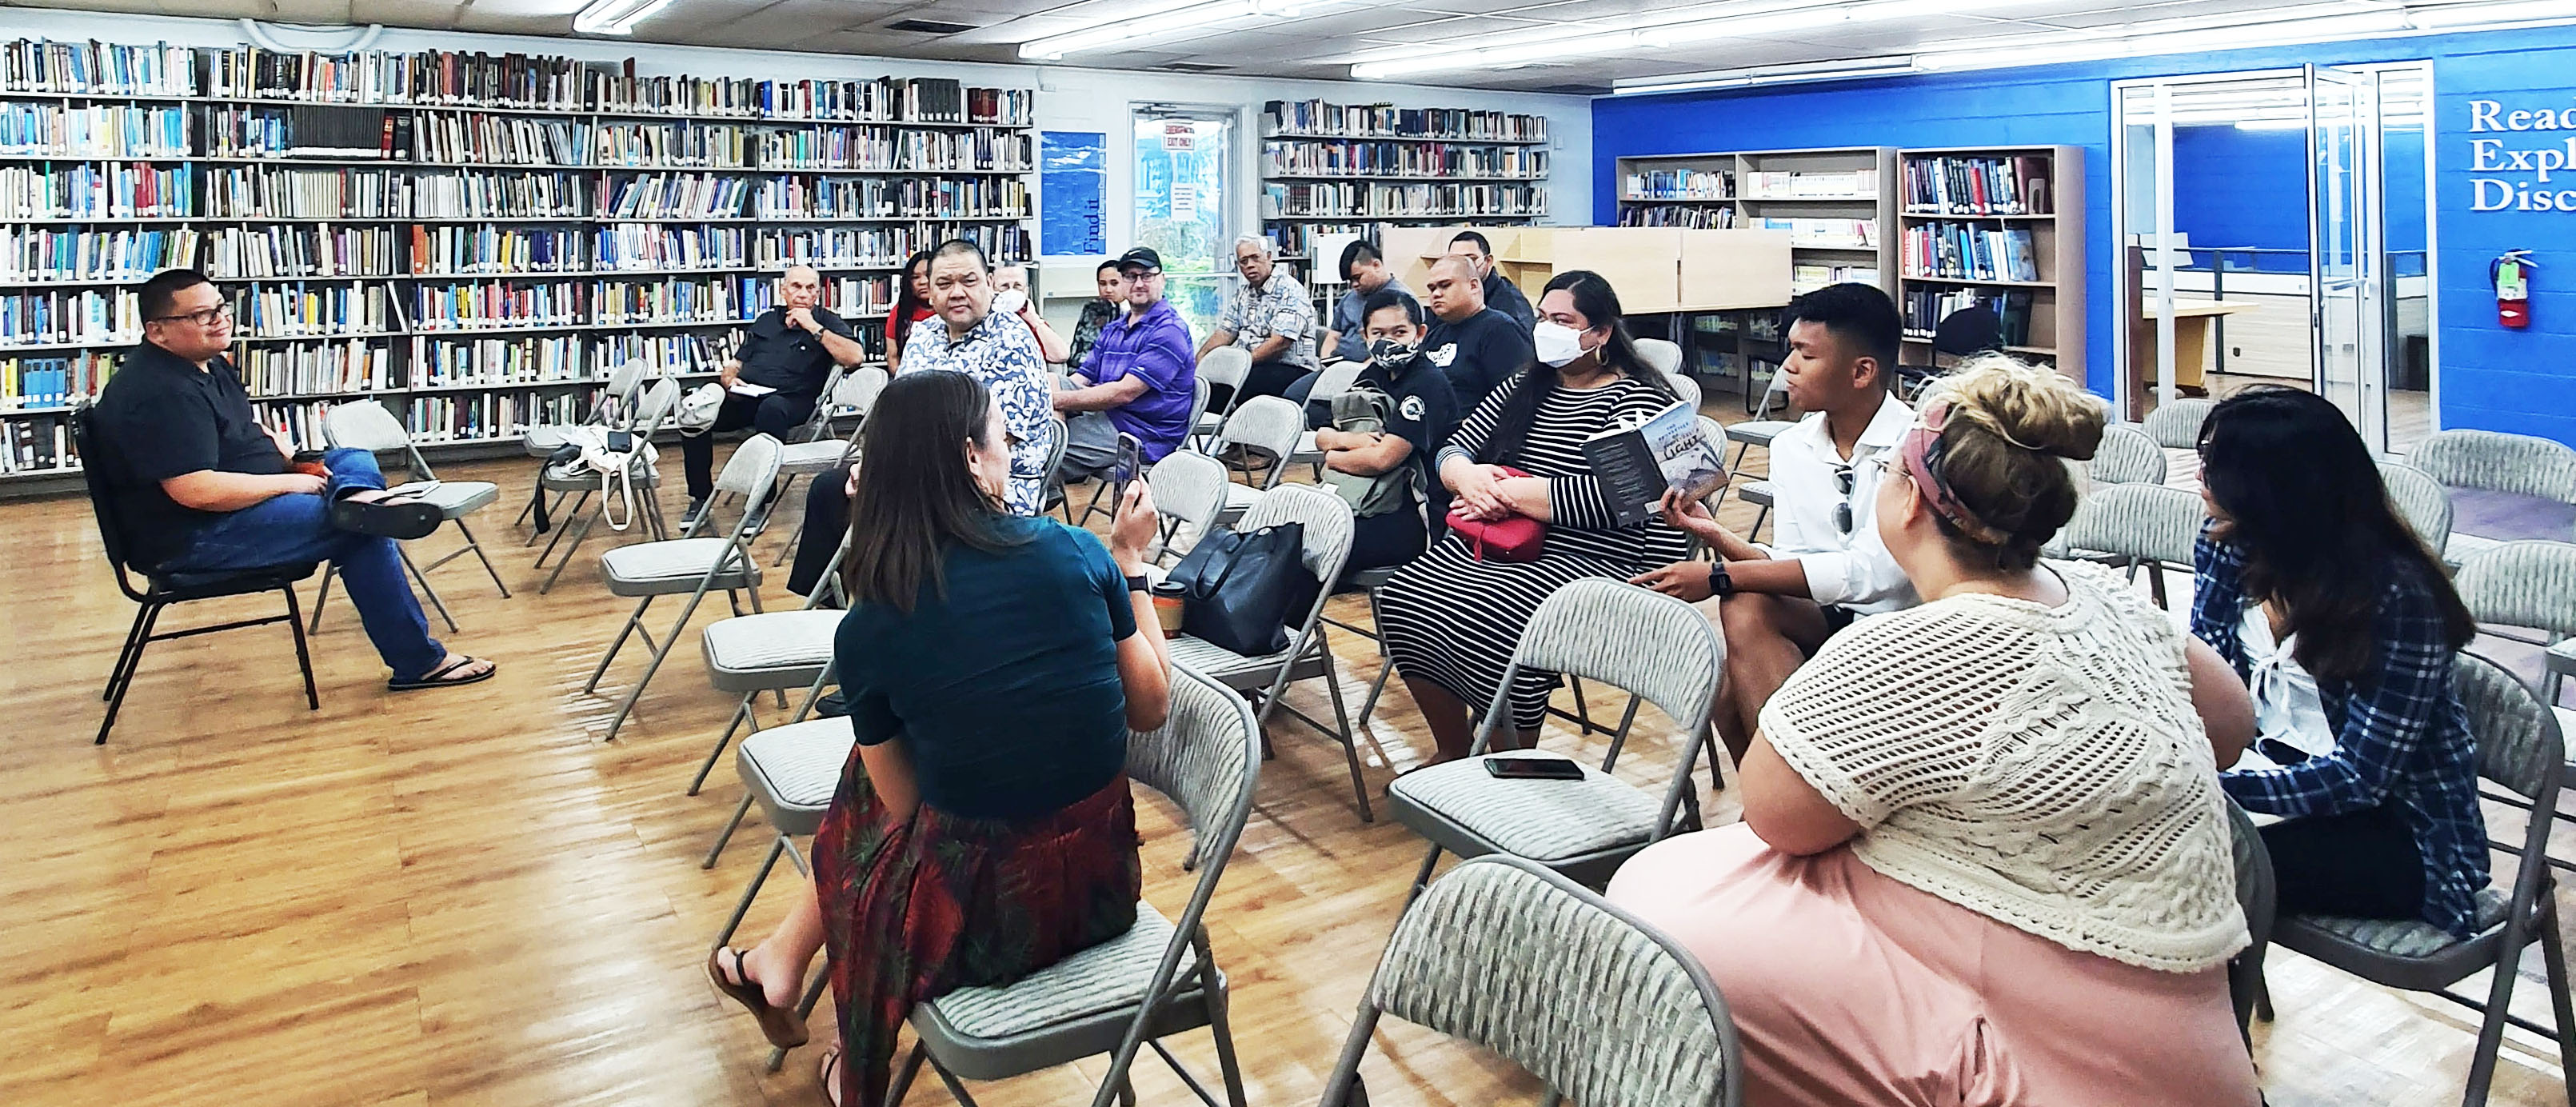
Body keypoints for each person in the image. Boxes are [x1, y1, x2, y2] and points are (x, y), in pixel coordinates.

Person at [1608, 358, 2262, 1107]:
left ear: (1911, 502)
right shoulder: (2102, 595)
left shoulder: (1910, 652)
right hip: (2185, 991)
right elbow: (2229, 725)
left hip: (2048, 1017)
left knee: (1666, 911)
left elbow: (1778, 819)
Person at [704, 370, 1172, 1107]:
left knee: (872, 775)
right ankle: (779, 963)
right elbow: (1151, 708)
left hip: (975, 924)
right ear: (970, 456)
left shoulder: (871, 622)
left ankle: (787, 973)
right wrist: (1131, 564)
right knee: (899, 765)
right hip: (1100, 886)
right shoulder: (1077, 554)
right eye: (1003, 437)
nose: (1012, 451)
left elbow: (902, 808)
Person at [87, 268, 496, 690]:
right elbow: (196, 491)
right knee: (360, 532)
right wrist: (289, 483)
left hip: (238, 503)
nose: (220, 320)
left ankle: (358, 498)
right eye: (202, 315)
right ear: (157, 331)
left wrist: (287, 458)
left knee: (352, 458)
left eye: (221, 308)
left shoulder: (204, 363)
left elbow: (241, 429)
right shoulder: (161, 393)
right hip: (193, 537)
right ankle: (419, 659)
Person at [2192, 386, 2488, 938]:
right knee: (2145, 839)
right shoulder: (2226, 545)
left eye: (2219, 463)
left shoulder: (2396, 596)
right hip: (2271, 773)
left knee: (2189, 868)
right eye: (2204, 455)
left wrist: (2214, 790)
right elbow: (2206, 677)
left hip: (2398, 834)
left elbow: (2361, 779)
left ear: (2279, 485)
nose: (2201, 475)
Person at [1376, 270, 1689, 763]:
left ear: (1602, 332)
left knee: (1493, 619)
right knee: (1402, 597)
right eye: (1543, 318)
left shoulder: (1639, 400)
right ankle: (1453, 747)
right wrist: (1467, 478)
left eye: (1563, 321)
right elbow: (1453, 447)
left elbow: (1614, 500)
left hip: (1598, 556)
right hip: (1507, 539)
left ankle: (1509, 763)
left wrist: (1505, 493)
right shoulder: (1527, 384)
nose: (1546, 329)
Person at [1635, 282, 1918, 760]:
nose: (1788, 367)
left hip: (1898, 630)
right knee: (1731, 651)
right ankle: (1786, 786)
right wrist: (1714, 534)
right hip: (1832, 614)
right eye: (1790, 350)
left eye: (1806, 355)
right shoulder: (1792, 446)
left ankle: (1784, 784)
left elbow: (1876, 578)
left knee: (1733, 656)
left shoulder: (1914, 448)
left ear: (1862, 372)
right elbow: (1790, 561)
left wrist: (1720, 576)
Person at [681, 264, 865, 522]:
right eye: (796, 286)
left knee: (772, 408)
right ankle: (699, 498)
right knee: (696, 411)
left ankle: (759, 502)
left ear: (817, 293)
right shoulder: (766, 320)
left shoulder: (826, 321)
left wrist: (814, 328)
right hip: (748, 396)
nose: (803, 293)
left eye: (810, 288)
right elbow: (736, 363)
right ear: (783, 290)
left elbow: (856, 357)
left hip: (793, 402)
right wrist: (730, 380)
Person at [895, 239, 1058, 516]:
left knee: (880, 515)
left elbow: (994, 442)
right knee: (832, 491)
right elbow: (898, 412)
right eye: (944, 284)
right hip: (922, 471)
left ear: (990, 284)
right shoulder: (923, 333)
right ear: (930, 293)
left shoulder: (1011, 338)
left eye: (969, 282)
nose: (957, 293)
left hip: (991, 486)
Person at [1316, 290, 1457, 584]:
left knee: (1315, 549)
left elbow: (1382, 459)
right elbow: (1324, 434)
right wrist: (1352, 442)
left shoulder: (1427, 383)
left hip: (1409, 514)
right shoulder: (1373, 374)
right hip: (1360, 497)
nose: (1389, 342)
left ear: (1420, 333)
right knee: (1292, 533)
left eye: (1399, 332)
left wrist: (1333, 457)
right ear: (1365, 336)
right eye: (1378, 333)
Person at [1056, 246, 1196, 482]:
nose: (1138, 284)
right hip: (1110, 416)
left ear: (1162, 280)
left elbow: (1124, 393)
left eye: (1147, 276)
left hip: (1140, 433)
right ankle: (1043, 495)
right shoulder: (1115, 328)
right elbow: (1081, 378)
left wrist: (1054, 401)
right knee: (1053, 382)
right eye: (1130, 276)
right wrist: (1052, 401)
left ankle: (1036, 496)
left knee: (1040, 446)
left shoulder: (1169, 331)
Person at [1196, 234, 1317, 409]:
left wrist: (1240, 366)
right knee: (1204, 387)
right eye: (1244, 261)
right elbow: (1225, 331)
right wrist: (1202, 357)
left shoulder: (1290, 290)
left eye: (1255, 258)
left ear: (1269, 257)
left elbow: (1280, 342)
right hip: (1252, 365)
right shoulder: (1244, 293)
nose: (1250, 265)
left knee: (1240, 387)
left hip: (1291, 367)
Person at [1417, 254, 1534, 413]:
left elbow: (1519, 398)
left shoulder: (1501, 330)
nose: (1436, 294)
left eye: (1445, 285)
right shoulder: (1435, 334)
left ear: (1473, 286)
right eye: (1432, 289)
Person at [1320, 239, 1410, 366]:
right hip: (1338, 366)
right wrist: (1325, 362)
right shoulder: (1349, 298)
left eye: (1357, 278)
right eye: (1350, 281)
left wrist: (1364, 370)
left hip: (1372, 368)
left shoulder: (1401, 300)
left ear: (1376, 265)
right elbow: (1333, 337)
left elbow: (1397, 346)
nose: (1354, 285)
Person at [1447, 230, 1535, 330]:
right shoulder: (1446, 294)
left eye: (1471, 259)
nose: (1462, 267)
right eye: (1454, 260)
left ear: (1488, 261)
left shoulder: (1510, 302)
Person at [991, 263, 1072, 364]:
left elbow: (1061, 355)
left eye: (1017, 286)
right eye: (1004, 287)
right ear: (992, 289)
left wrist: (1034, 319)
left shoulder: (1029, 319)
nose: (1011, 292)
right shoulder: (983, 319)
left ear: (1026, 291)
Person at [1065, 258, 1124, 370]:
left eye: (1114, 283)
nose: (1108, 290)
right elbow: (1080, 352)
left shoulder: (1133, 313)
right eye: (1103, 284)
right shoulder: (1093, 309)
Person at [881, 250, 933, 374]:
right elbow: (893, 358)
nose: (923, 282)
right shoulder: (900, 312)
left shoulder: (950, 310)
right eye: (915, 277)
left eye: (928, 275)